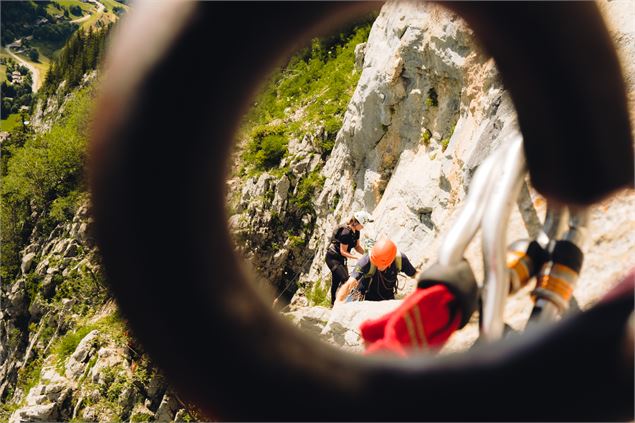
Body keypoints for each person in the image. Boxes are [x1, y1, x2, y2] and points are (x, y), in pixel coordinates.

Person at [335, 239, 417, 302]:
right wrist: (338, 302)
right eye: (375, 263)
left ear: (390, 261)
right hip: (365, 298)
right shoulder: (366, 260)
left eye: (380, 264)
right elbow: (350, 283)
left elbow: (415, 274)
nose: (377, 266)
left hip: (387, 299)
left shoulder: (400, 259)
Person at [325, 211, 373, 305]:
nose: (363, 226)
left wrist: (366, 254)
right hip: (332, 258)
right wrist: (355, 257)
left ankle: (333, 304)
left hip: (341, 258)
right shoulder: (345, 233)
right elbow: (343, 252)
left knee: (336, 281)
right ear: (356, 222)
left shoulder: (357, 232)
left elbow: (357, 246)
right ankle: (347, 304)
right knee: (346, 280)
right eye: (363, 224)